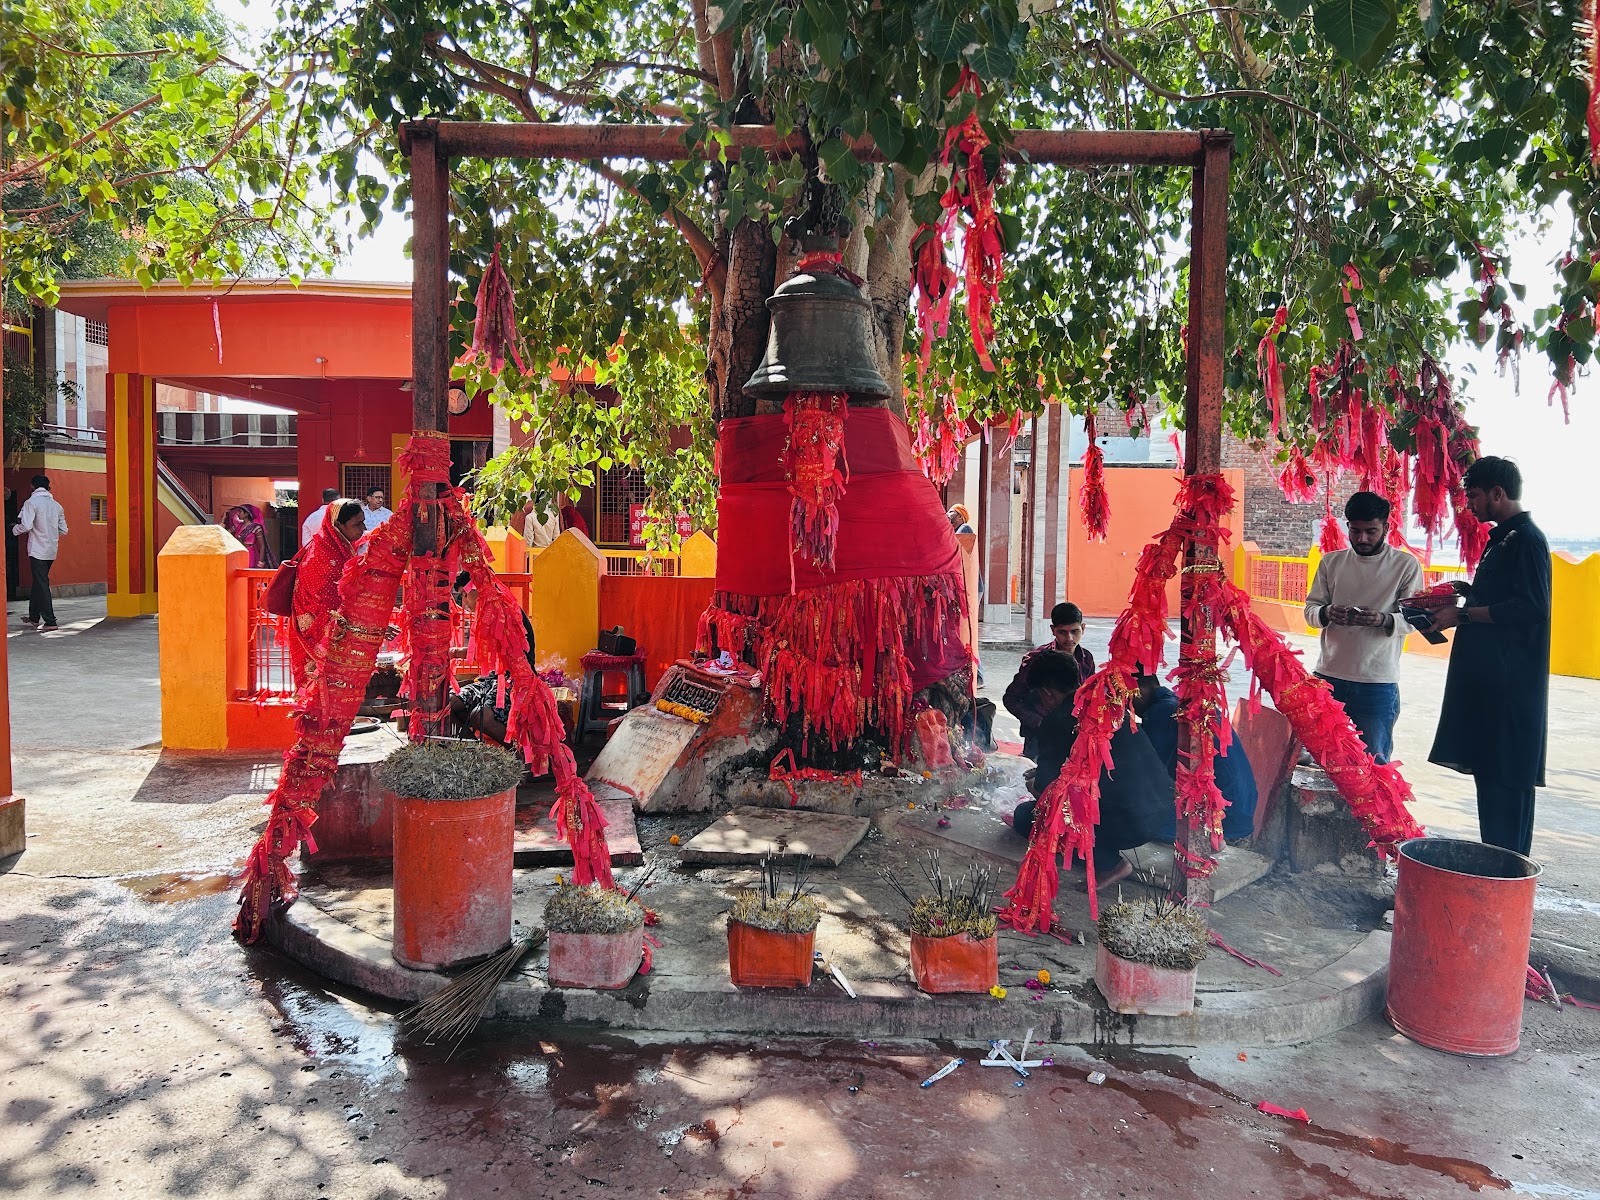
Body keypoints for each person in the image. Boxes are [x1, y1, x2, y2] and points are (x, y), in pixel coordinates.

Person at [1426, 457, 1550, 857]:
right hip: (1490, 685)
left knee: (1506, 786)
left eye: (1475, 496)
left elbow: (1532, 607)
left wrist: (1463, 614)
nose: (1470, 505)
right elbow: (1504, 598)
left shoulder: (1526, 539)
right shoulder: (1504, 538)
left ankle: (1507, 877)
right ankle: (1498, 873)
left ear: (1498, 493)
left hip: (1511, 690)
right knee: (1491, 782)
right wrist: (1467, 593)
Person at [1009, 652, 1171, 890]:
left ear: (1047, 693)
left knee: (1026, 816)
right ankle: (1106, 852)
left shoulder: (1058, 720)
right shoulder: (1106, 703)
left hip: (1128, 823)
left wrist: (1033, 783)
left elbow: (1046, 790)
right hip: (1163, 813)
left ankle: (1109, 863)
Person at [1301, 491, 1423, 764]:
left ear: (1386, 528)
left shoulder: (1405, 565)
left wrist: (1382, 619)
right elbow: (1310, 612)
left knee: (1373, 764)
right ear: (1348, 527)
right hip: (1328, 674)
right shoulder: (1331, 562)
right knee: (1322, 758)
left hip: (1376, 681)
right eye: (1355, 531)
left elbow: (1415, 619)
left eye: (1371, 531)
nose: (1362, 539)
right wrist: (1327, 612)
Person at [1132, 673, 1257, 841]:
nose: (1127, 704)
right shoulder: (1180, 702)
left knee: (1130, 820)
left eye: (1126, 695)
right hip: (1241, 810)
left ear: (1140, 689)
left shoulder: (1163, 710)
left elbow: (1152, 771)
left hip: (1224, 817)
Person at [449, 571, 538, 746]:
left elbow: (485, 652)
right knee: (449, 704)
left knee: (481, 716)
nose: (464, 602)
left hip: (516, 679)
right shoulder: (486, 612)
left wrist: (453, 653)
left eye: (465, 595)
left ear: (477, 590)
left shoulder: (503, 611)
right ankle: (474, 753)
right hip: (494, 678)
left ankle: (520, 756)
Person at [288, 498, 367, 690]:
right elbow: (326, 603)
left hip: (337, 630)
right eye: (356, 524)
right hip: (316, 633)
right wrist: (362, 627)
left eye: (363, 522)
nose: (363, 528)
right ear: (338, 525)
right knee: (317, 690)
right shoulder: (321, 556)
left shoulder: (342, 548)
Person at [1004, 601, 1096, 759]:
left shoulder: (1086, 659)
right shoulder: (1037, 660)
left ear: (1083, 628)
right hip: (1039, 737)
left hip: (1075, 734)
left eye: (1075, 631)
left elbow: (1089, 696)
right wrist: (1039, 722)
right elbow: (1011, 699)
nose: (1069, 638)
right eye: (1062, 632)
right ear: (1053, 630)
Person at [13, 474, 68, 632]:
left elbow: (26, 526)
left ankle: (50, 621)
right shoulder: (57, 506)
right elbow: (64, 530)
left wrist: (13, 529)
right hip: (51, 549)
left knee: (42, 583)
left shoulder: (31, 503)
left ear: (32, 486)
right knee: (38, 582)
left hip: (37, 549)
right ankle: (34, 617)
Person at [223, 503, 277, 569]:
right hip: (239, 553)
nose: (238, 514)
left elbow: (262, 545)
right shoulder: (238, 526)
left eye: (240, 512)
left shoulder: (256, 527)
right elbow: (225, 533)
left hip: (250, 554)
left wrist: (260, 562)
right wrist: (223, 519)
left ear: (247, 514)